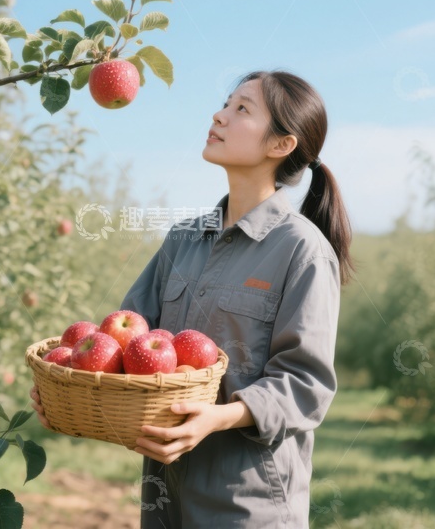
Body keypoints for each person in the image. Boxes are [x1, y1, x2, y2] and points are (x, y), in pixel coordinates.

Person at [30, 70, 355, 527]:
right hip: (164, 497)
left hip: (247, 502)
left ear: (281, 145)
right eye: (226, 103)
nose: (219, 115)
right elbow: (123, 344)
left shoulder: (301, 250)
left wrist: (216, 417)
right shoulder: (184, 238)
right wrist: (71, 386)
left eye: (242, 109)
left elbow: (306, 385)